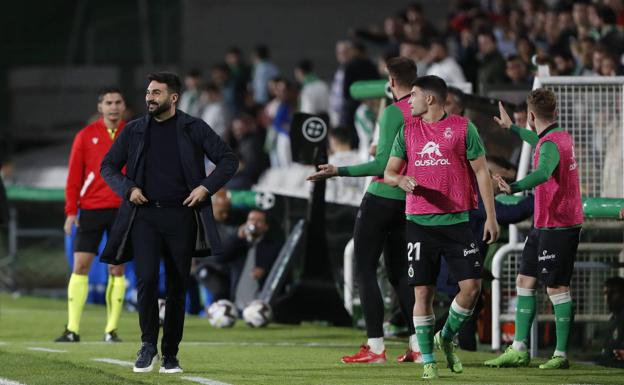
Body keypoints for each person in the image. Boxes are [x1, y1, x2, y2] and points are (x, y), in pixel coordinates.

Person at [100, 71, 238, 374]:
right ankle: (148, 344)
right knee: (146, 280)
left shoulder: (194, 127)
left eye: (156, 93)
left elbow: (228, 159)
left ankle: (170, 353)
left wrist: (205, 187)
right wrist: (129, 189)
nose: (149, 98)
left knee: (177, 287)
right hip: (145, 216)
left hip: (182, 216)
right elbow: (108, 165)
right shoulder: (134, 130)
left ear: (173, 98)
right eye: (148, 93)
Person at [308, 57, 421, 364]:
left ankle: (376, 347)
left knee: (365, 268)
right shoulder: (427, 110)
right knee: (401, 273)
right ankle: (417, 344)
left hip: (382, 196)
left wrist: (337, 170)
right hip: (409, 200)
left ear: (391, 81)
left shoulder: (393, 112)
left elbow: (381, 166)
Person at [384, 75, 498, 379]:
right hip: (419, 223)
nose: (409, 101)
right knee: (423, 292)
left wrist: (491, 216)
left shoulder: (462, 128)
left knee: (472, 289)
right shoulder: (407, 131)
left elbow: (482, 172)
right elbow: (389, 172)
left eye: (414, 96)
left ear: (430, 99)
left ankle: (445, 337)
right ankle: (429, 361)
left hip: (457, 221)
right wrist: (401, 180)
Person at [485, 89, 583, 370]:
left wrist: (514, 187)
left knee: (556, 287)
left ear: (530, 115)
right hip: (545, 222)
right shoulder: (559, 136)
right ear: (556, 112)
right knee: (525, 281)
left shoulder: (551, 145)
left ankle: (561, 355)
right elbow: (539, 141)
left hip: (559, 224)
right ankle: (518, 348)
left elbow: (542, 172)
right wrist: (512, 128)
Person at [55, 88, 128, 343]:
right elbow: (74, 176)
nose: (113, 107)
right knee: (81, 266)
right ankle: (72, 329)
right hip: (91, 209)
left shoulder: (134, 134)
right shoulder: (85, 136)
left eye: (118, 102)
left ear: (124, 106)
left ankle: (111, 330)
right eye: (108, 102)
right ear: (100, 107)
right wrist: (70, 212)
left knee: (116, 268)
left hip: (122, 210)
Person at [229, 209, 281, 310]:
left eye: (259, 220)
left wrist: (265, 271)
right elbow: (220, 258)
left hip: (260, 306)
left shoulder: (273, 247)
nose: (254, 223)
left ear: (265, 227)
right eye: (251, 219)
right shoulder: (239, 243)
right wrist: (237, 237)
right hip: (236, 305)